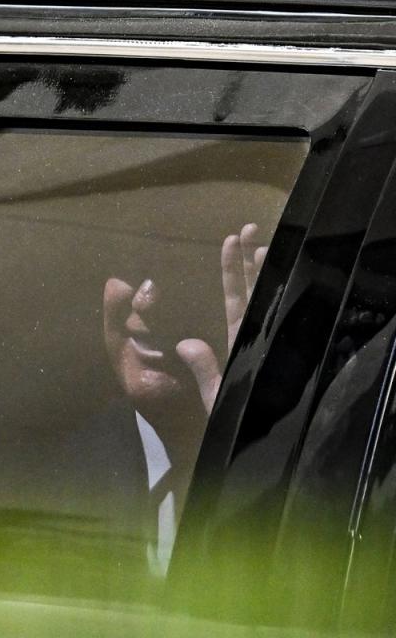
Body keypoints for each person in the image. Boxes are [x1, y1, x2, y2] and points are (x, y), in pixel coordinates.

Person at [101, 222, 268, 575]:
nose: (146, 299)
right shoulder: (28, 470)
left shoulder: (288, 475)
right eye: (132, 260)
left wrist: (254, 456)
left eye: (185, 263)